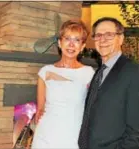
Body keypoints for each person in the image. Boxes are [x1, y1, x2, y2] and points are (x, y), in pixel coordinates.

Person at [78, 17, 139, 149]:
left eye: (109, 35)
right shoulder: (98, 72)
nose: (103, 40)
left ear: (121, 39)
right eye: (98, 35)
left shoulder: (135, 72)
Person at [31, 20, 95, 149]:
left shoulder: (89, 73)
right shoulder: (45, 72)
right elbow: (40, 109)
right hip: (47, 134)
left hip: (74, 134)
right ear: (60, 43)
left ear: (82, 46)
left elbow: (94, 107)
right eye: (67, 39)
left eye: (77, 40)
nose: (71, 44)